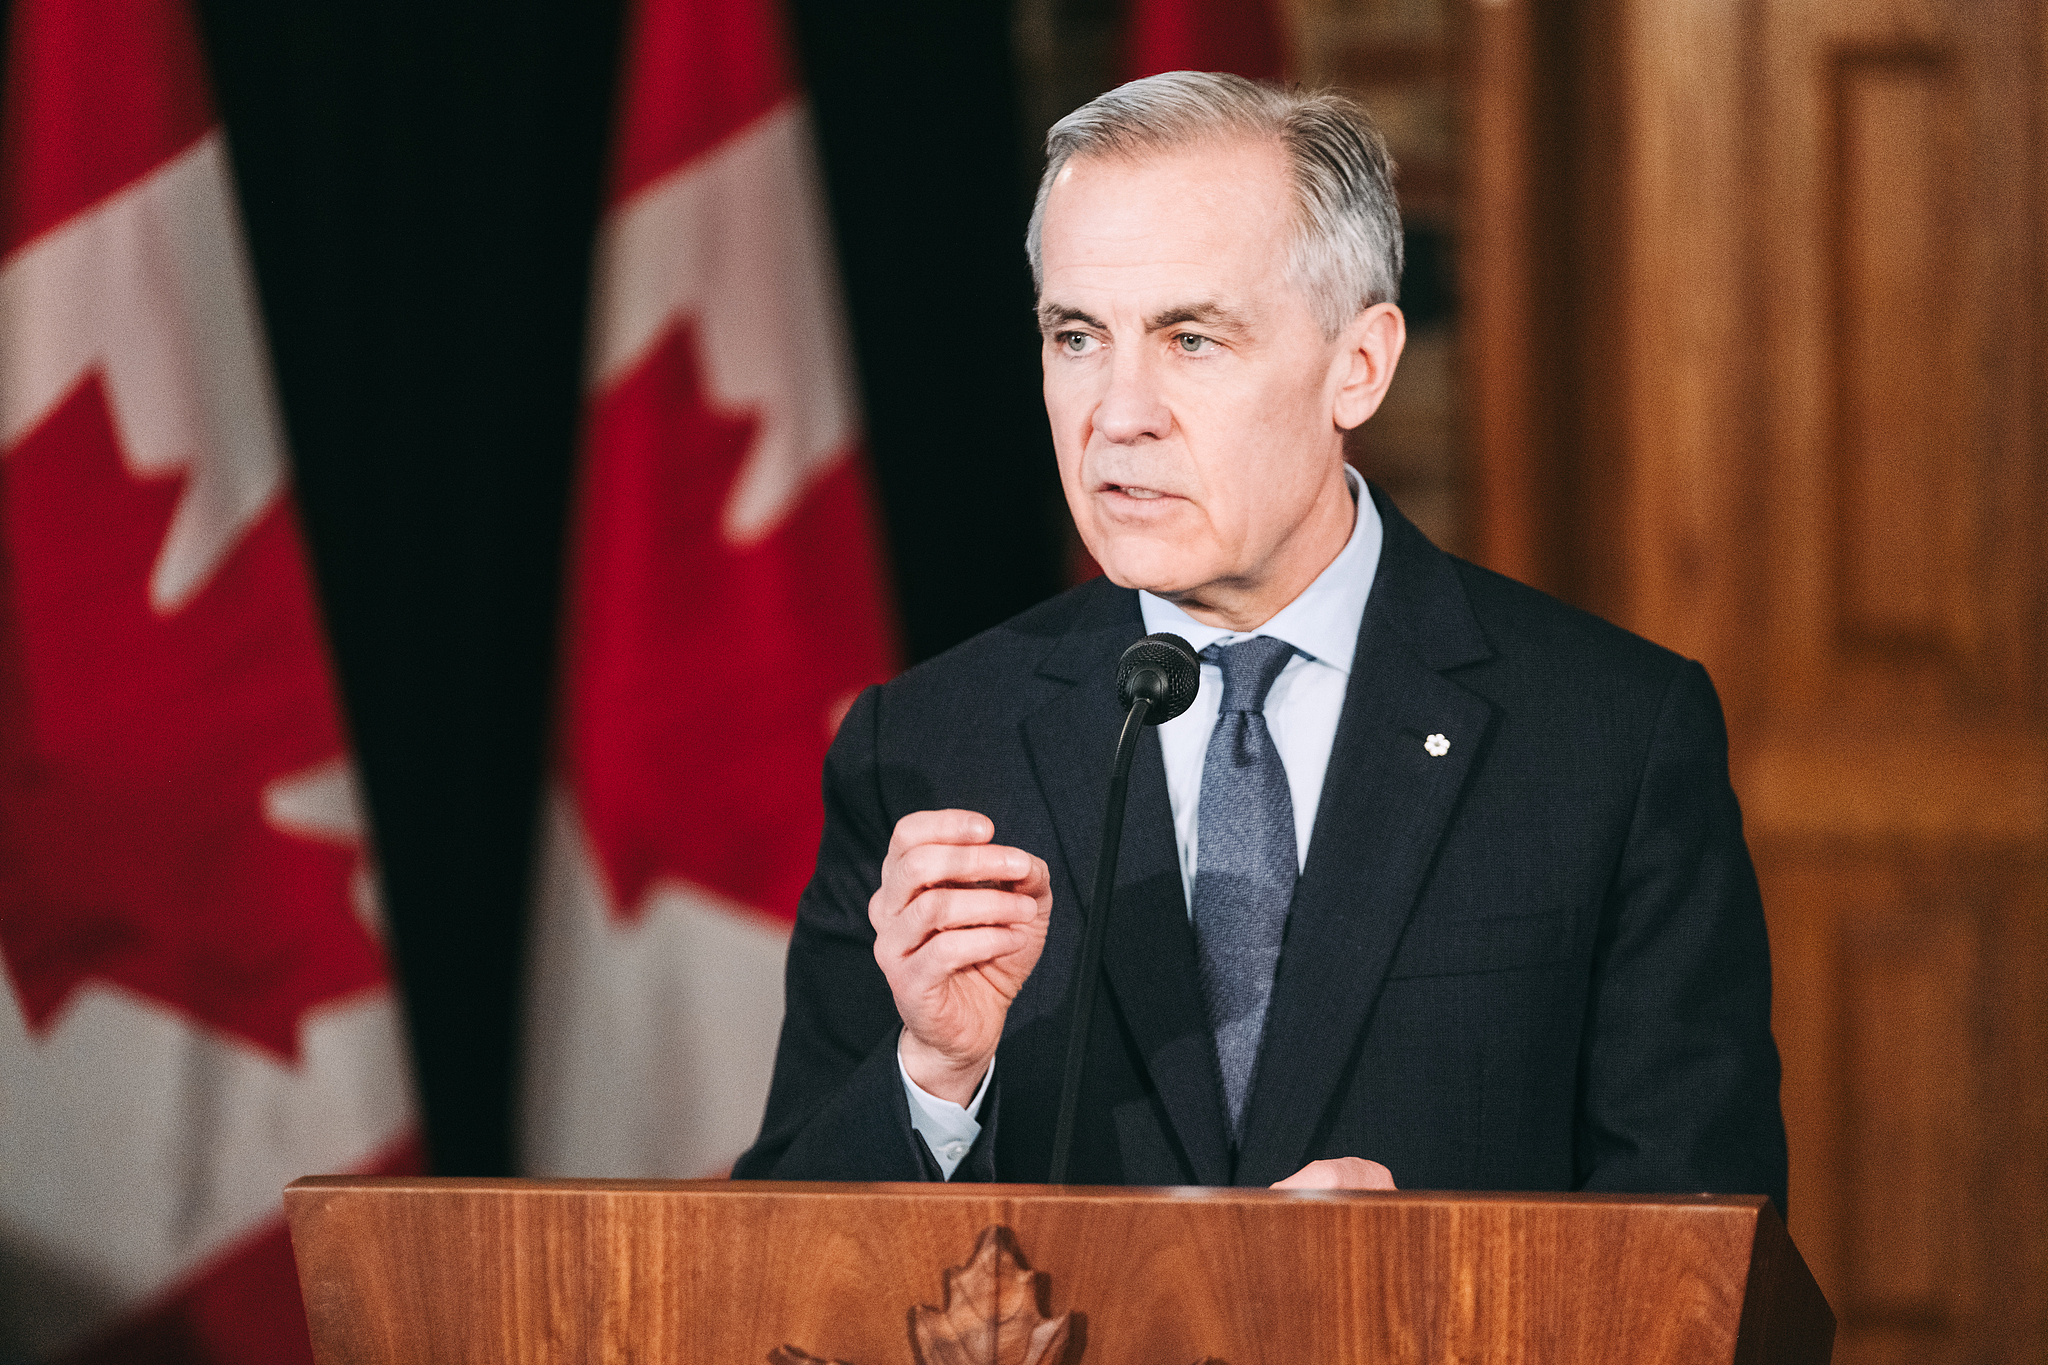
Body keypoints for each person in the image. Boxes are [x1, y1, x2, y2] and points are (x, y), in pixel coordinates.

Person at [734, 72, 1787, 1205]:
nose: (1118, 411)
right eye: (1077, 335)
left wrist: (1429, 1303)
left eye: (1190, 339)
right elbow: (782, 1257)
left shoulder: (1606, 737)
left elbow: (1706, 1257)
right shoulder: (928, 743)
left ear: (1359, 366)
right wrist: (935, 1077)